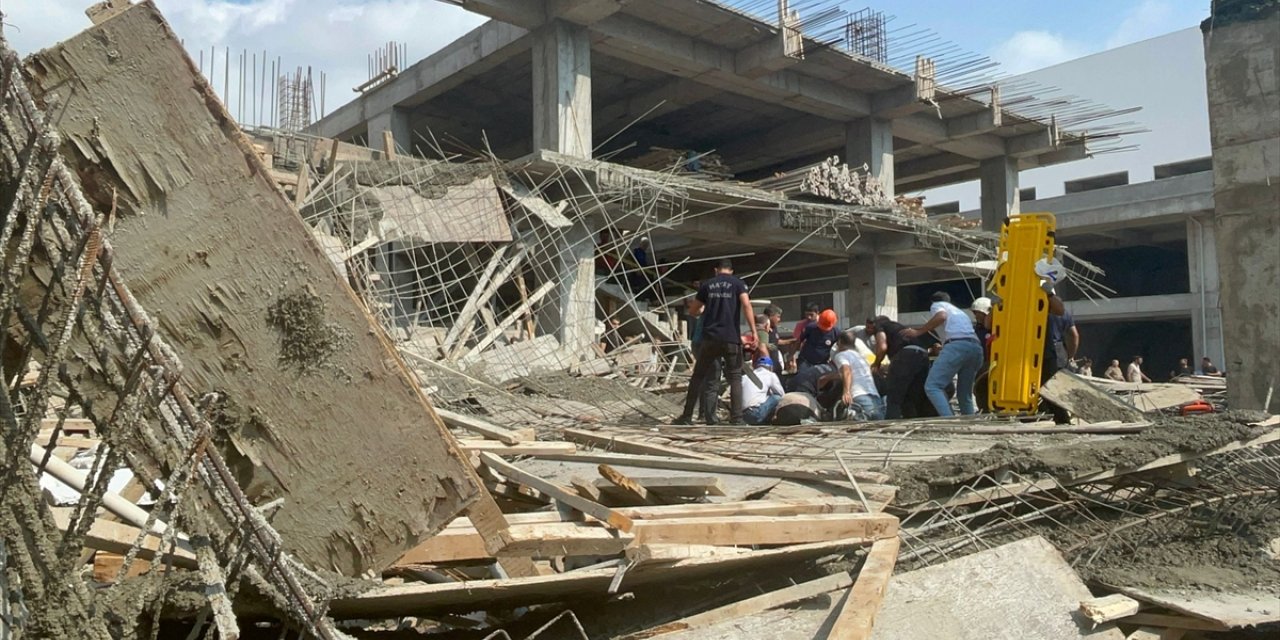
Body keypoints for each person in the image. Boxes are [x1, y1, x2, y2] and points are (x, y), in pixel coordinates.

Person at [674, 259, 757, 425]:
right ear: (731, 271)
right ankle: (737, 419)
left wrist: (704, 313)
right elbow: (746, 305)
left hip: (710, 338)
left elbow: (693, 310)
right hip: (731, 337)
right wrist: (753, 331)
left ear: (716, 270)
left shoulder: (707, 285)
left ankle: (686, 416)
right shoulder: (738, 284)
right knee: (735, 378)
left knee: (698, 377)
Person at [902, 292, 983, 416]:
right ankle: (969, 420)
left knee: (933, 386)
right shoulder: (960, 312)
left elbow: (941, 316)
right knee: (964, 393)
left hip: (957, 345)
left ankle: (950, 420)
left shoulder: (937, 305)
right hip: (975, 348)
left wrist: (918, 332)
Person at [866, 315, 936, 419]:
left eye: (869, 327)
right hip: (922, 356)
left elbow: (882, 347)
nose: (868, 330)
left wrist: (876, 364)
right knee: (912, 395)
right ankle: (914, 421)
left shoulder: (881, 325)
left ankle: (891, 423)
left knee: (894, 395)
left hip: (905, 356)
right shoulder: (899, 328)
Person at [832, 332, 884, 421]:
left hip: (859, 395)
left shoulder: (841, 355)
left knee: (860, 427)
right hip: (874, 397)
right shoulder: (859, 356)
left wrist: (846, 392)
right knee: (878, 425)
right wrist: (828, 377)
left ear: (840, 342)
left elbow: (846, 370)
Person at [686, 297, 719, 424]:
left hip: (697, 343)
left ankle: (697, 413)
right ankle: (708, 415)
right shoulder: (715, 311)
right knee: (711, 381)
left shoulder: (707, 312)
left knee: (701, 378)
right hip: (706, 344)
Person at [741, 356, 784, 425]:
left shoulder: (745, 376)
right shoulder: (770, 375)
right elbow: (781, 394)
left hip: (743, 416)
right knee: (777, 397)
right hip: (756, 414)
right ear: (771, 367)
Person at [795, 309, 840, 373]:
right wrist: (793, 356)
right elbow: (799, 341)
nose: (823, 330)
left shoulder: (836, 333)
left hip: (823, 364)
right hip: (806, 361)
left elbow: (840, 348)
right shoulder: (811, 327)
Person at [970, 297, 993, 412]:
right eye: (975, 313)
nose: (976, 316)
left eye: (978, 313)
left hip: (992, 364)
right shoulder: (976, 330)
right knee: (980, 389)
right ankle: (984, 410)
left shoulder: (994, 327)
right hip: (980, 363)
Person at [781, 304, 819, 372]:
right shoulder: (801, 325)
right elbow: (795, 342)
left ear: (817, 313)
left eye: (811, 315)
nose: (809, 317)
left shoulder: (824, 323)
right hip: (806, 356)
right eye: (807, 315)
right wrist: (792, 358)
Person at [763, 306, 784, 374]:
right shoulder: (763, 330)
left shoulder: (774, 328)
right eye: (777, 317)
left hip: (776, 364)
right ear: (770, 316)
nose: (779, 319)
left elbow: (776, 342)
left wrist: (793, 340)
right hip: (768, 366)